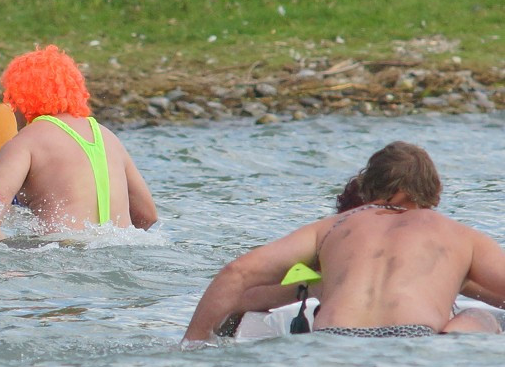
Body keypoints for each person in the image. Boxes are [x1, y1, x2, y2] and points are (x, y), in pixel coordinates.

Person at [183, 142, 505, 341]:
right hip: (417, 339)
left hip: (333, 340)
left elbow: (237, 273)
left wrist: (192, 341)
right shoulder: (458, 236)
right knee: (481, 318)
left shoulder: (330, 229)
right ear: (418, 193)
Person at [0, 45, 158, 238]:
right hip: (119, 249)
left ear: (20, 99)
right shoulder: (108, 136)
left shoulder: (25, 142)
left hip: (59, 254)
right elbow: (148, 216)